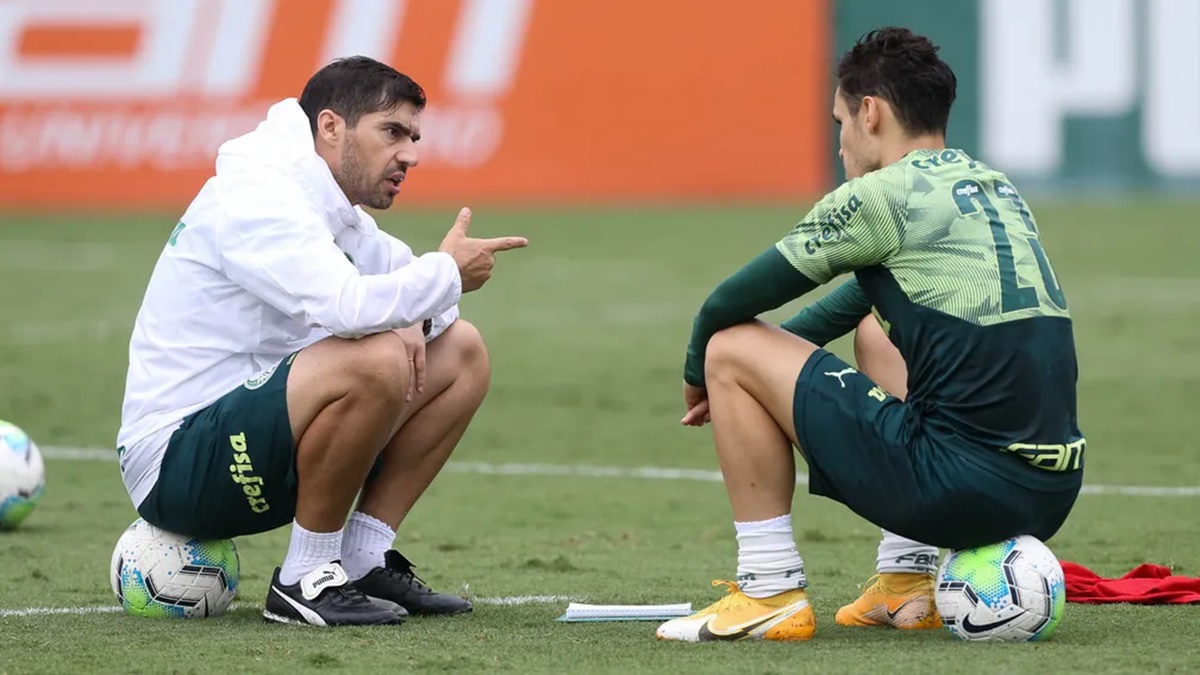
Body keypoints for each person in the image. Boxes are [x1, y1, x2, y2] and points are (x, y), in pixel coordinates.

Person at [656, 27, 1084, 642]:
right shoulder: (993, 187)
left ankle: (768, 588)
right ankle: (904, 584)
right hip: (1049, 495)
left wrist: (703, 374)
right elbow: (868, 297)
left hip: (962, 490)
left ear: (870, 112)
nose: (840, 144)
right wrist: (772, 373)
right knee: (876, 332)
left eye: (839, 122)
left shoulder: (880, 195)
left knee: (729, 346)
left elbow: (726, 305)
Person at [115, 56, 528, 627]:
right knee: (377, 357)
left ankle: (360, 559)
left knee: (463, 352)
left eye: (413, 136)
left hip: (256, 432)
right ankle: (305, 578)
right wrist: (436, 281)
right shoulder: (259, 197)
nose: (410, 153)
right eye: (392, 132)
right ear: (331, 127)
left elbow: (434, 304)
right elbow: (349, 306)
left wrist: (417, 305)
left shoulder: (334, 210)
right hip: (178, 460)